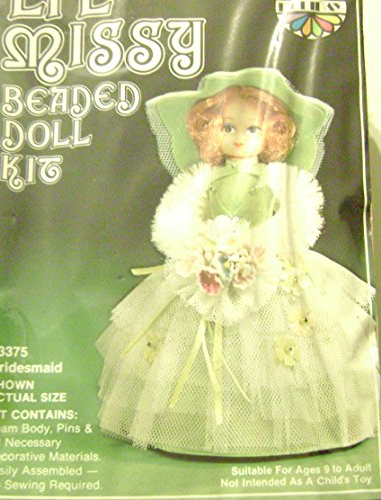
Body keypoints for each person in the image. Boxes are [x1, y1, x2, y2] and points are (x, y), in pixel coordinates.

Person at [97, 69, 377, 457]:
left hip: (271, 265)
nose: (240, 137)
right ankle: (210, 428)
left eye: (253, 129)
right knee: (200, 344)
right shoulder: (204, 179)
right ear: (210, 130)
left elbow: (297, 215)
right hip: (209, 265)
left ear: (273, 134)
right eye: (228, 127)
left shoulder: (279, 179)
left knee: (283, 346)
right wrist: (199, 247)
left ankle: (274, 427)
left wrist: (266, 246)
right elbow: (180, 216)